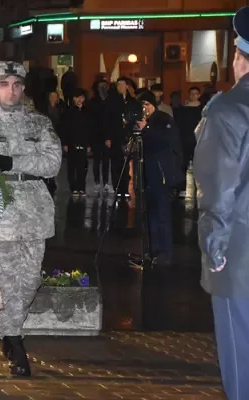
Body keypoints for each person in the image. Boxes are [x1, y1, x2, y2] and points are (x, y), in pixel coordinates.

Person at [0, 61, 62, 376]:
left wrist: (10, 161)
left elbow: (52, 163)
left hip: (34, 212)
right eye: (4, 84)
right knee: (0, 284)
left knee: (29, 281)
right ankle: (14, 339)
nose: (11, 90)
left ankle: (10, 331)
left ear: (23, 88)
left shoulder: (39, 124)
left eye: (17, 85)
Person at [194, 7, 249, 399]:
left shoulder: (228, 110)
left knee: (240, 354)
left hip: (240, 253)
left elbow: (219, 186)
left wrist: (214, 247)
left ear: (238, 57)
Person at [135, 91, 183, 265]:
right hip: (148, 173)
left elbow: (167, 141)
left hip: (162, 173)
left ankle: (164, 251)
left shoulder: (163, 119)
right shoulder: (143, 121)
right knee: (149, 214)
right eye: (142, 105)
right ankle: (152, 249)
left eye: (147, 104)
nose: (145, 109)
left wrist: (146, 128)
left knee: (161, 213)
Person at [105, 77, 136, 198]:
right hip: (115, 136)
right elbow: (107, 120)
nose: (120, 87)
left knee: (126, 162)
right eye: (118, 85)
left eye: (122, 85)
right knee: (116, 163)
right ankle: (117, 188)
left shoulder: (131, 101)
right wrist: (108, 137)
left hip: (127, 136)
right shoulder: (111, 101)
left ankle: (125, 188)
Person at [61, 88, 91, 196]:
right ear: (74, 99)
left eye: (82, 98)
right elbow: (64, 128)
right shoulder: (68, 111)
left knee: (82, 166)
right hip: (71, 142)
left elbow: (89, 129)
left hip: (83, 142)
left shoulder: (86, 111)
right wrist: (64, 143)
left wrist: (88, 144)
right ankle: (73, 187)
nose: (80, 100)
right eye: (78, 98)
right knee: (72, 167)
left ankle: (81, 187)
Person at [87, 79, 111, 193]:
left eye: (105, 86)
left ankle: (106, 182)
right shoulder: (92, 102)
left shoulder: (109, 101)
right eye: (101, 86)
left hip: (106, 136)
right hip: (96, 136)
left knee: (106, 161)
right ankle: (97, 182)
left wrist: (109, 136)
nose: (103, 89)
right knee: (97, 160)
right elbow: (91, 122)